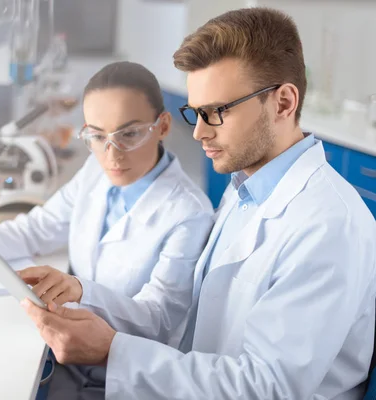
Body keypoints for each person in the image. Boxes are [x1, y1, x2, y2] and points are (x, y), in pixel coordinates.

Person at [21, 7, 376, 400]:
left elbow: (269, 388)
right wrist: (83, 293)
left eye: (217, 112)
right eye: (196, 113)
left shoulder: (328, 225)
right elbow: (184, 313)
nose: (200, 132)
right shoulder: (245, 188)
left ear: (283, 103)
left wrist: (112, 351)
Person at [0, 61, 214, 398]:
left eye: (129, 133)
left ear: (163, 125)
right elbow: (37, 228)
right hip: (71, 360)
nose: (111, 154)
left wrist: (81, 290)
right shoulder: (94, 171)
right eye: (97, 136)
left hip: (127, 380)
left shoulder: (189, 213)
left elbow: (158, 320)